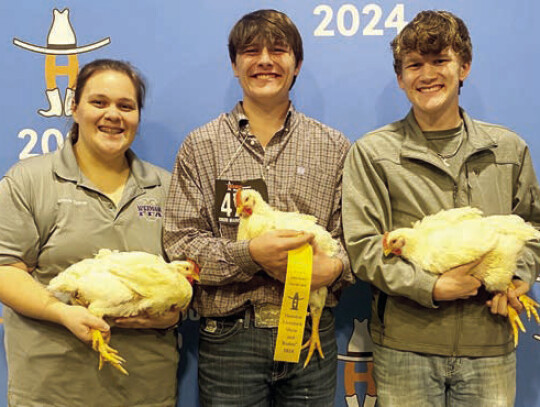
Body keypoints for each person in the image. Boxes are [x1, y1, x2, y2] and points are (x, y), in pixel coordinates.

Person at [342, 10, 540, 407]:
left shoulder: (508, 150)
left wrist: (516, 278)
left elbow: (532, 226)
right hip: (406, 347)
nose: (426, 73)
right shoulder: (373, 153)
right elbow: (363, 247)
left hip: (490, 342)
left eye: (440, 60)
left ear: (464, 66)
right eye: (414, 64)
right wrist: (429, 287)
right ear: (400, 78)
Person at [163, 9, 353, 406]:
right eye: (251, 51)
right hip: (230, 338)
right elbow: (180, 243)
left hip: (309, 330)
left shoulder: (334, 147)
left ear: (296, 63)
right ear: (235, 65)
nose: (264, 59)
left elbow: (356, 238)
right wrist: (249, 255)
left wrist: (335, 267)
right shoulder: (202, 146)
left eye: (278, 50)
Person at [0, 59, 180, 406]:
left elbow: (185, 275)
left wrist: (174, 311)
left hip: (146, 390)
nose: (113, 114)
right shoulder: (29, 181)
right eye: (99, 102)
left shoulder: (166, 188)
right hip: (52, 391)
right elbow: (6, 270)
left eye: (126, 106)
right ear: (74, 108)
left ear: (137, 117)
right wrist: (63, 312)